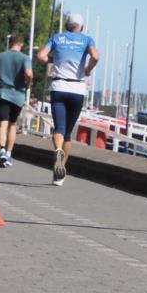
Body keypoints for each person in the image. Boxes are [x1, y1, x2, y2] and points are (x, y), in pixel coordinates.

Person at [35, 13, 99, 185]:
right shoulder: (87, 40)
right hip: (77, 88)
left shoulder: (57, 38)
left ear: (66, 25)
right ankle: (60, 173)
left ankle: (57, 150)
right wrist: (87, 69)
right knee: (69, 134)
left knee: (59, 129)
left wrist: (54, 59)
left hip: (59, 87)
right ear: (82, 27)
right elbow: (96, 56)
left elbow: (40, 56)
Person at [0, 34, 33, 167]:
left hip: (3, 93)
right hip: (18, 95)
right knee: (12, 125)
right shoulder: (25, 58)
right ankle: (8, 154)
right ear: (21, 44)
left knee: (2, 123)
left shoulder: (0, 56)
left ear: (10, 43)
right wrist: (28, 83)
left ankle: (1, 151)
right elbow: (29, 74)